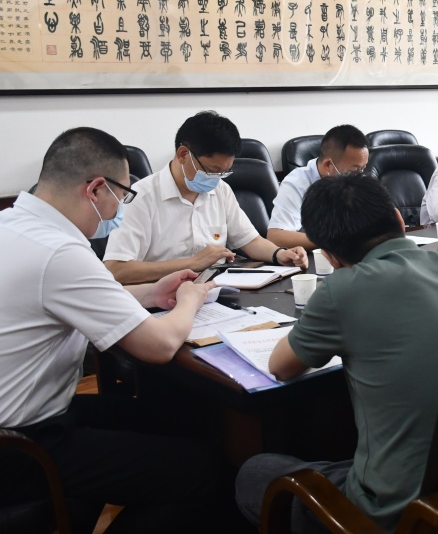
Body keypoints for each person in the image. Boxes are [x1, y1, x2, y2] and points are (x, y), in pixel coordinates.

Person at [0, 128, 240, 534]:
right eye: (122, 195)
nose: (120, 208)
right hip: (23, 445)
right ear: (96, 189)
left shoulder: (14, 224)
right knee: (207, 471)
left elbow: (73, 297)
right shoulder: (61, 252)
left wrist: (152, 292)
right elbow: (160, 345)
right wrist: (190, 300)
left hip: (29, 419)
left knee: (172, 418)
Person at [236, 174, 438, 532]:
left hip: (397, 513)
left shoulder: (341, 290)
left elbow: (280, 366)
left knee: (254, 472)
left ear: (329, 256)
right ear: (398, 219)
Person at [104, 111, 308, 284]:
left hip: (216, 293)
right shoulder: (141, 197)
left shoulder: (221, 190)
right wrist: (192, 263)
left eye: (224, 172)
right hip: (157, 299)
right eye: (212, 170)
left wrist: (280, 254)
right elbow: (116, 270)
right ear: (183, 154)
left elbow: (250, 241)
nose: (216, 178)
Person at [268, 124, 370, 250]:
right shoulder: (297, 183)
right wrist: (334, 241)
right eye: (354, 170)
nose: (360, 176)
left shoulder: (358, 179)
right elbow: (276, 236)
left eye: (363, 168)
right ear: (328, 165)